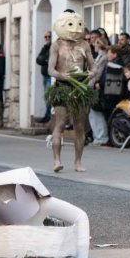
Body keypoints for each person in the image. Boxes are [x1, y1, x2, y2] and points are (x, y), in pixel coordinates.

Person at [48, 12, 95, 174]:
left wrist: (91, 73)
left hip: (79, 88)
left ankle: (78, 161)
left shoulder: (85, 45)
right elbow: (50, 70)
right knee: (60, 124)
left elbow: (93, 66)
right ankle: (57, 160)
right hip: (62, 88)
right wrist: (62, 75)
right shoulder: (57, 45)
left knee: (79, 126)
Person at [36, 30, 52, 124]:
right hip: (45, 75)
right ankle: (47, 114)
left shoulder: (52, 47)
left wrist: (45, 60)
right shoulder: (45, 47)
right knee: (46, 96)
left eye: (49, 37)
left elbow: (50, 59)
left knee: (49, 96)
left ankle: (48, 115)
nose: (47, 39)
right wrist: (45, 60)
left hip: (50, 76)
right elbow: (38, 59)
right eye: (45, 37)